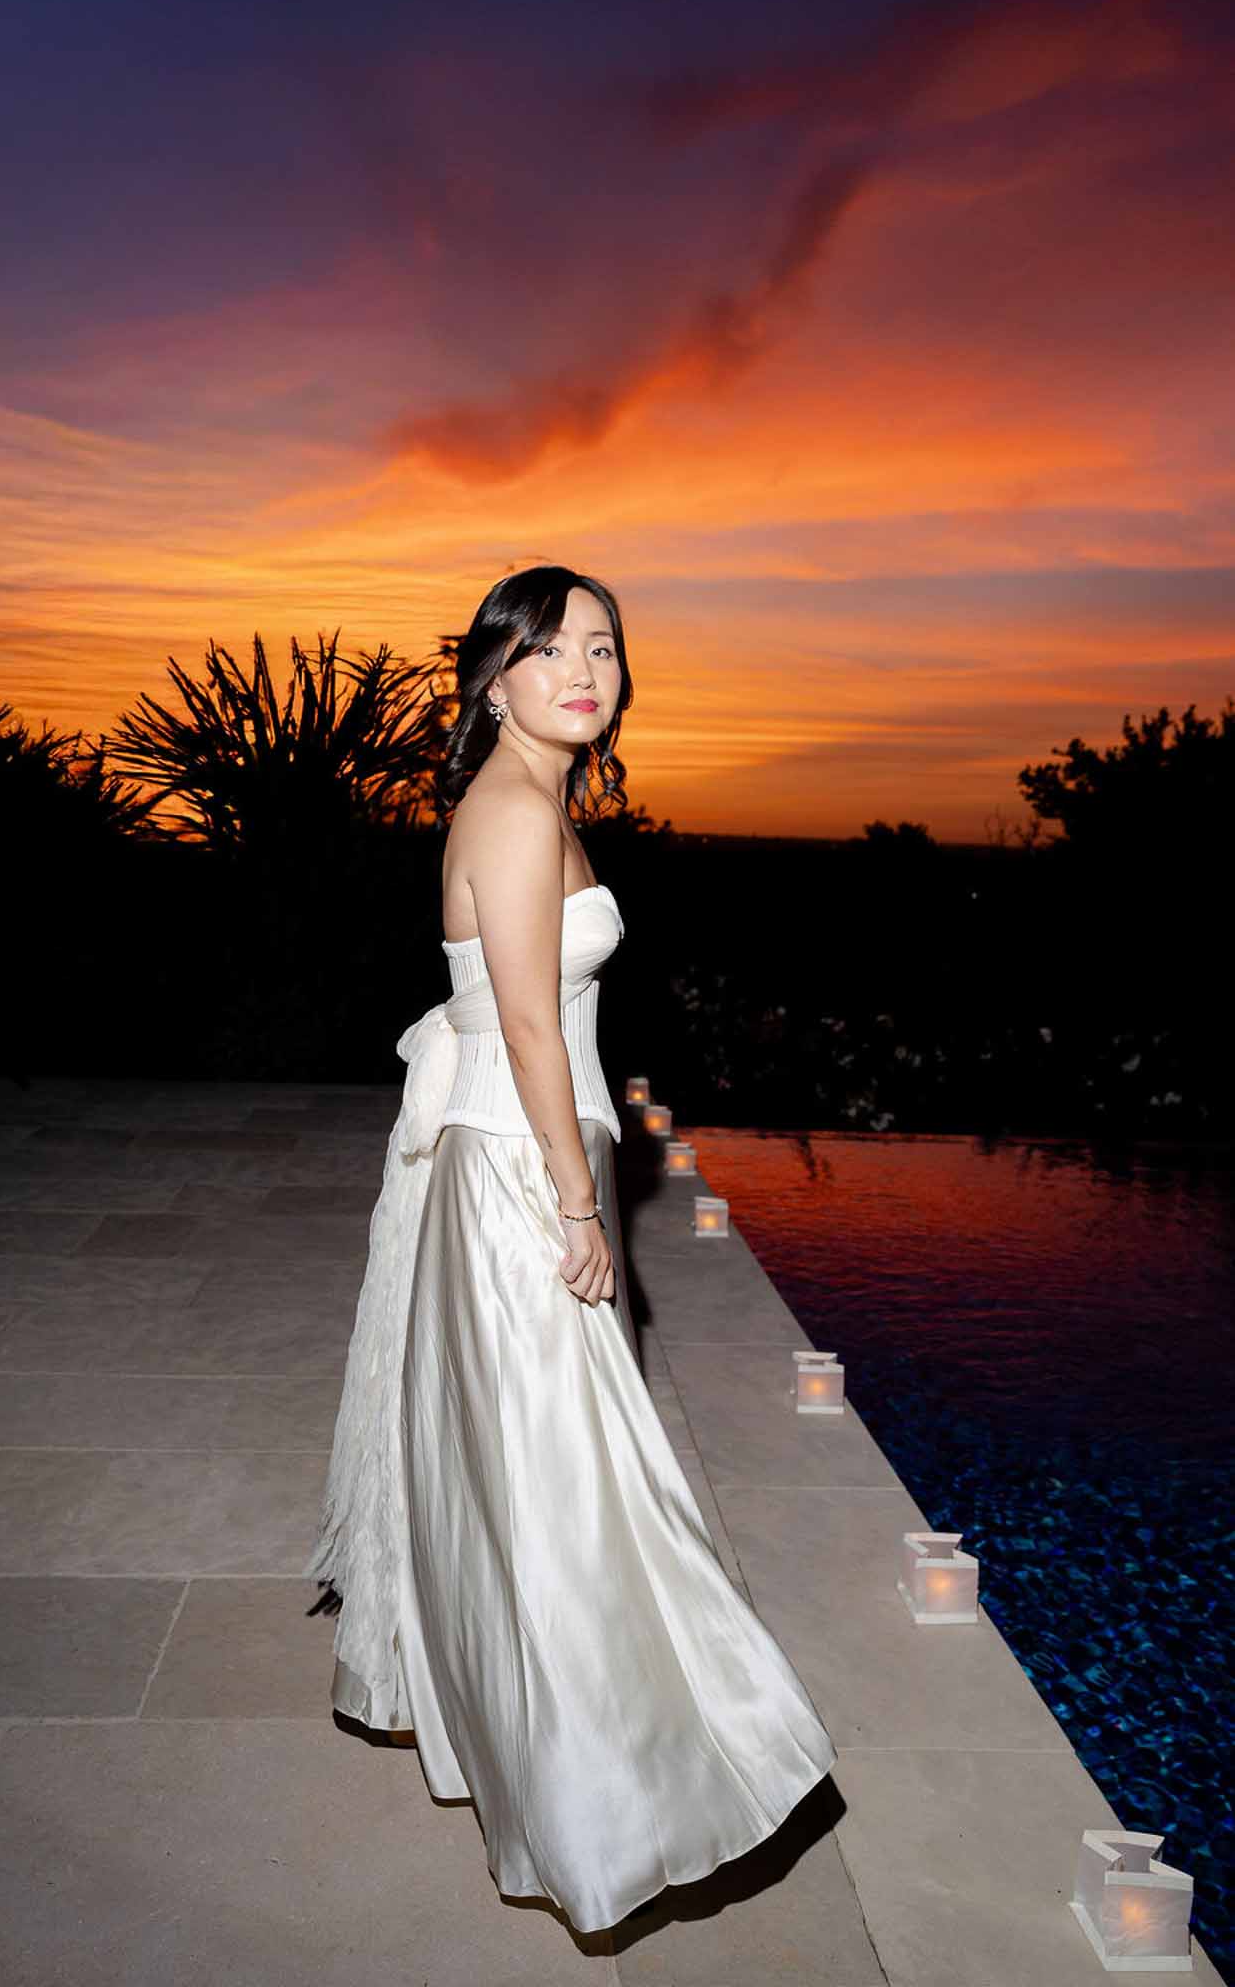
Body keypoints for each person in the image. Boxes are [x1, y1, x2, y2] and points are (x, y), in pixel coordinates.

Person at [307, 564, 836, 1934]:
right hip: (513, 1173)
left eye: (601, 646)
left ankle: (567, 1739)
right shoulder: (512, 811)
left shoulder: (532, 803)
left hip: (524, 1152)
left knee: (546, 1465)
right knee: (562, 1472)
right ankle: (590, 1777)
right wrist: (577, 1206)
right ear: (494, 679)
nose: (582, 671)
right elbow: (534, 1028)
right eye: (549, 652)